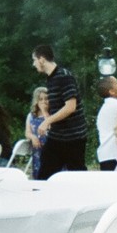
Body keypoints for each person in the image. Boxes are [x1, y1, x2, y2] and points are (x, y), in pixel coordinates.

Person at [31, 44, 88, 178]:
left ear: (42, 59)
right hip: (57, 137)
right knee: (44, 175)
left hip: (73, 137)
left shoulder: (64, 76)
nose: (33, 64)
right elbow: (59, 108)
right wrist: (46, 113)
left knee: (78, 177)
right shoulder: (51, 79)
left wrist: (47, 121)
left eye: (34, 60)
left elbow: (70, 107)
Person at [24, 86, 50, 178]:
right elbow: (27, 132)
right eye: (40, 99)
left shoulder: (53, 114)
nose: (44, 101)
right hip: (38, 150)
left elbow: (50, 127)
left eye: (46, 99)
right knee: (39, 173)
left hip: (51, 148)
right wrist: (32, 137)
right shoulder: (31, 116)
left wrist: (44, 112)